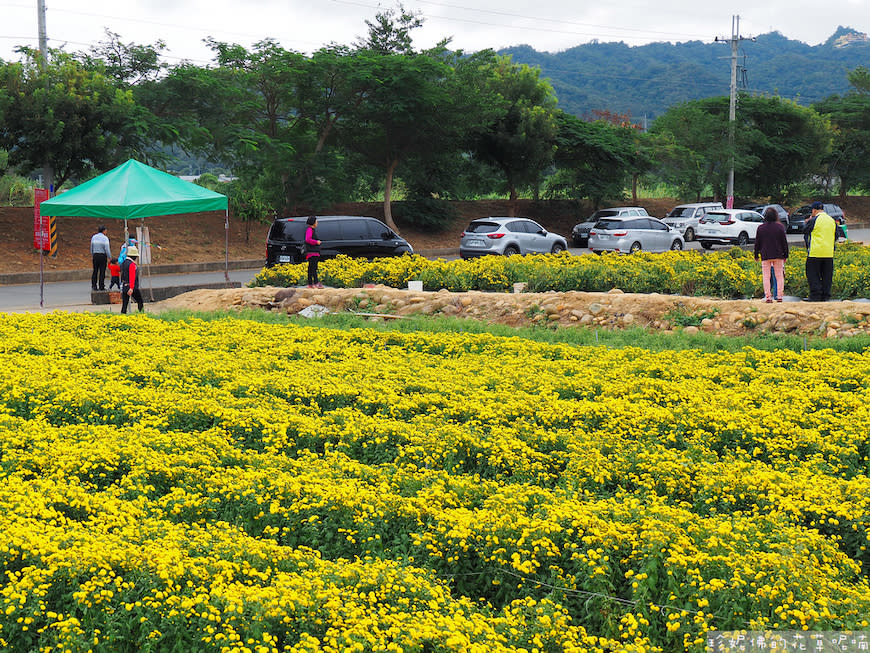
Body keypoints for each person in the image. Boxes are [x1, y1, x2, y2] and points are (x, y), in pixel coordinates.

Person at [753, 207, 789, 303]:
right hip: (778, 255)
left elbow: (757, 243)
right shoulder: (780, 227)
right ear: (776, 216)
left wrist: (756, 254)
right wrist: (786, 255)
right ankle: (780, 296)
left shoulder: (761, 228)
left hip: (765, 255)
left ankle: (768, 297)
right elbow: (784, 242)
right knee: (779, 276)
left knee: (766, 276)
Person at [802, 200, 836, 302]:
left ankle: (815, 296)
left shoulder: (814, 220)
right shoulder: (831, 220)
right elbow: (837, 235)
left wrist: (807, 222)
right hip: (829, 253)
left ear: (814, 210)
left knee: (813, 274)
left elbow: (805, 231)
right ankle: (826, 296)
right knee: (827, 276)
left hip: (815, 252)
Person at [120, 246, 144, 313]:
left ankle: (122, 317)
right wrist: (131, 287)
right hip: (132, 287)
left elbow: (122, 274)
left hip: (125, 285)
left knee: (125, 304)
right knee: (140, 301)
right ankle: (142, 315)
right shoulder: (132, 264)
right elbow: (132, 276)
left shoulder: (123, 263)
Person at [90, 226, 111, 291]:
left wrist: (93, 254)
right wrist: (109, 257)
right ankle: (101, 286)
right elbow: (107, 248)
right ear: (104, 231)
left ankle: (94, 286)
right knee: (102, 271)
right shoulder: (105, 238)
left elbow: (91, 247)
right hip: (102, 256)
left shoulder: (94, 237)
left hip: (95, 255)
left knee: (95, 271)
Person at [304, 216, 323, 289]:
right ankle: (315, 283)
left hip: (314, 252)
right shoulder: (309, 230)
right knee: (313, 268)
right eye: (316, 221)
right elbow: (307, 239)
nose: (317, 223)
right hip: (312, 253)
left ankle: (311, 284)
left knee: (312, 268)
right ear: (313, 223)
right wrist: (316, 242)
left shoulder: (312, 230)